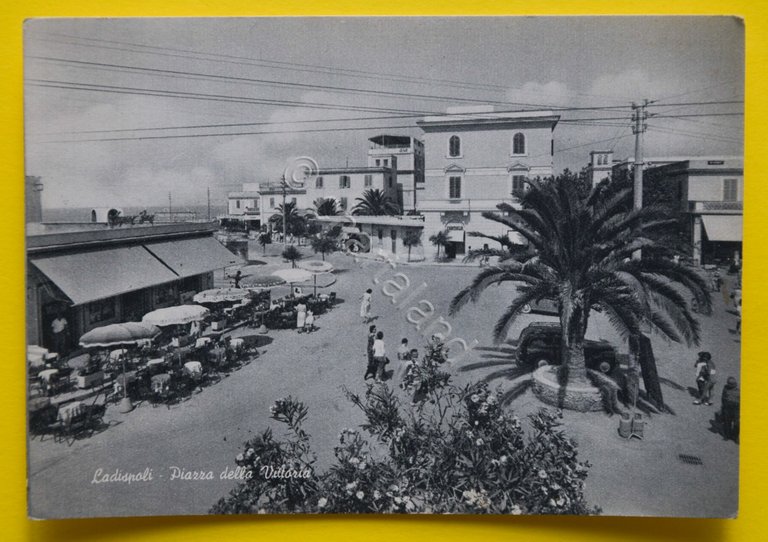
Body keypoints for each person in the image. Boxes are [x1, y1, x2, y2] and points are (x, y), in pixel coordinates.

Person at [720, 376, 740, 442]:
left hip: (736, 408)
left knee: (737, 423)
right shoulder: (725, 388)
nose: (732, 386)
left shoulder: (739, 389)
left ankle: (735, 437)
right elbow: (723, 397)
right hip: (727, 407)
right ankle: (727, 435)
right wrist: (723, 406)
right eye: (730, 384)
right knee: (727, 422)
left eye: (733, 384)